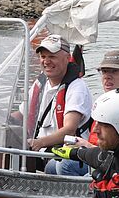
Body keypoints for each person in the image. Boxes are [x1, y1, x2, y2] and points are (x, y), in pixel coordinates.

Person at [18, 35, 91, 172]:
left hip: (67, 152)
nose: (46, 61)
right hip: (40, 151)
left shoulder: (76, 87)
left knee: (56, 166)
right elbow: (21, 114)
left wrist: (40, 143)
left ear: (67, 58)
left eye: (52, 56)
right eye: (43, 56)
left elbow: (70, 129)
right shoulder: (40, 84)